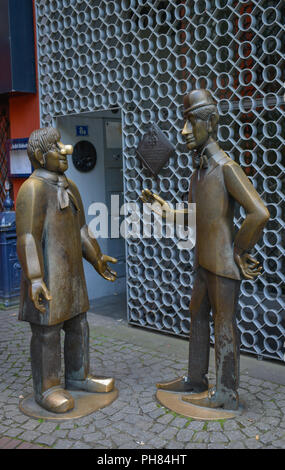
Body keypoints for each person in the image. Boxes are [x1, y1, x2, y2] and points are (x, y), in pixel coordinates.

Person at [141, 89, 269, 410]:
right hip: (203, 261)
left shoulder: (226, 167)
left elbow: (259, 212)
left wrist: (239, 250)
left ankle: (226, 392)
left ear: (210, 123)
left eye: (190, 122)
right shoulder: (198, 172)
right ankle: (196, 378)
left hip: (222, 264)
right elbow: (197, 215)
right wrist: (166, 210)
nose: (183, 131)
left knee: (223, 323)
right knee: (197, 314)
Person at [16, 126, 117, 414]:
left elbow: (82, 228)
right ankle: (47, 387)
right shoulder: (33, 189)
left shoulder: (70, 186)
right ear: (39, 155)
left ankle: (78, 375)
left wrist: (96, 257)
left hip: (71, 274)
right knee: (47, 331)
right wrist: (35, 277)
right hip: (47, 274)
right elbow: (27, 237)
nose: (64, 150)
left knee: (78, 324)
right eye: (56, 146)